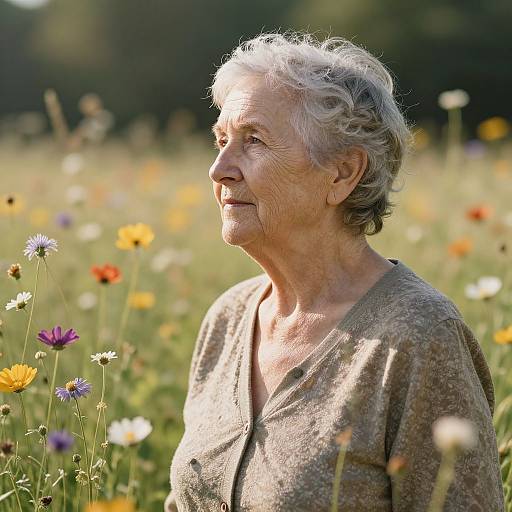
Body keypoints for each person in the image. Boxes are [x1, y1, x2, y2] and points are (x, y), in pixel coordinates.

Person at [165, 32, 504, 511]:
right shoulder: (228, 317)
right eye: (221, 140)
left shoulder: (418, 337)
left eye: (254, 141)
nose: (219, 169)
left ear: (342, 173)